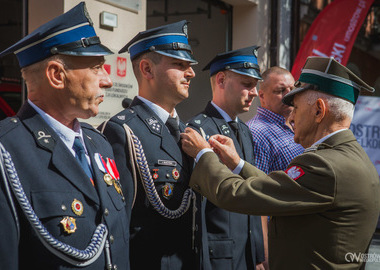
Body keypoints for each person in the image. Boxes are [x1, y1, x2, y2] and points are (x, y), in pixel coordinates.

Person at [181, 56, 380, 269]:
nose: (291, 117)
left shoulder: (325, 165)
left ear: (319, 110)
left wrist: (204, 155)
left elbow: (240, 194)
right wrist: (238, 164)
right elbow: (279, 188)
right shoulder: (351, 157)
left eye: (296, 107)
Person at [0, 2, 130, 269]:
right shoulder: (8, 150)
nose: (107, 80)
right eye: (96, 68)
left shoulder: (99, 144)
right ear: (57, 75)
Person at [99, 21, 203, 270]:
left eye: (189, 66)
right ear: (147, 69)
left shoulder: (191, 131)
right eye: (180, 65)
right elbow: (118, 223)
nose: (191, 73)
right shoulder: (122, 131)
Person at [187, 46, 265, 270]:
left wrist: (258, 253)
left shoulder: (245, 130)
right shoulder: (199, 129)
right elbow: (198, 206)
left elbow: (251, 193)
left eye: (256, 85)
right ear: (221, 80)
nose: (255, 92)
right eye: (248, 84)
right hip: (219, 257)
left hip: (247, 255)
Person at [246, 66, 304, 269]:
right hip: (275, 240)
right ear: (261, 95)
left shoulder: (293, 127)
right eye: (280, 91)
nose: (289, 96)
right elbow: (256, 195)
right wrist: (262, 255)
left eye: (292, 88)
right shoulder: (258, 132)